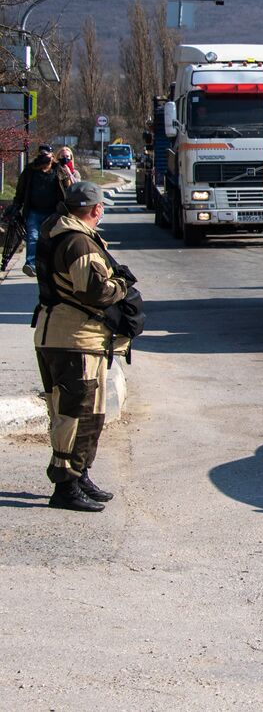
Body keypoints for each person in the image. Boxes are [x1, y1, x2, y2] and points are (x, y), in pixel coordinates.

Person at [33, 182, 134, 512]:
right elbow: (95, 292)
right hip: (72, 340)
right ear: (96, 209)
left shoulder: (60, 231)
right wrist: (122, 285)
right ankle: (65, 485)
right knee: (74, 414)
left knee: (87, 413)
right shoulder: (78, 241)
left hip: (69, 337)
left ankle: (78, 475)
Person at [12, 144, 75, 277]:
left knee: (51, 238)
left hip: (53, 211)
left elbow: (68, 188)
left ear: (52, 156)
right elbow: (21, 188)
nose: (43, 158)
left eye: (46, 155)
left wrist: (66, 170)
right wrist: (17, 204)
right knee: (33, 237)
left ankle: (50, 264)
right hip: (34, 210)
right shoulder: (30, 170)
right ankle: (31, 264)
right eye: (41, 155)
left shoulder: (58, 169)